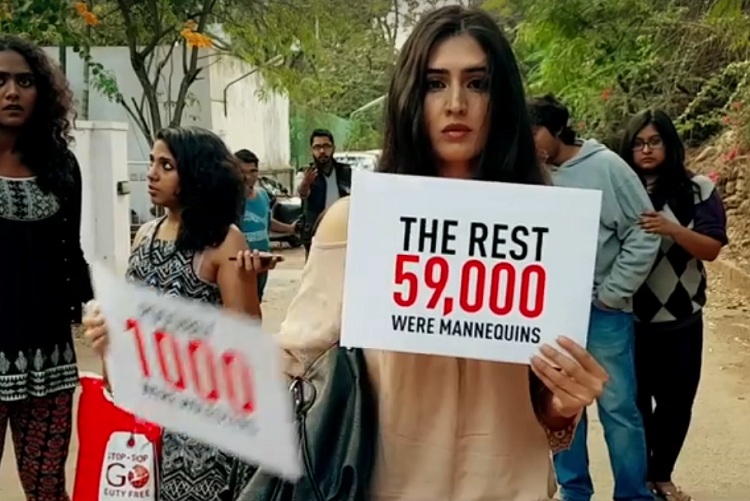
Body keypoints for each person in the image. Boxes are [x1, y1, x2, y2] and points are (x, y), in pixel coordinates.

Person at [239, 7, 608, 500]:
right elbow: (294, 366)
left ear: (502, 98)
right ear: (410, 97)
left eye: (477, 83)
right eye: (436, 83)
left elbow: (545, 409)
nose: (456, 103)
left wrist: (566, 403)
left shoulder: (546, 230)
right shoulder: (358, 222)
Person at [83, 126, 270, 501]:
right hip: (142, 417)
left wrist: (246, 282)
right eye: (152, 162)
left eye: (166, 166)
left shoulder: (223, 241)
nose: (151, 174)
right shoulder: (145, 235)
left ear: (197, 174)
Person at [528, 94, 660, 501]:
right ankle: (574, 492)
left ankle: (633, 494)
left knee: (618, 409)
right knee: (561, 405)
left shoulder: (606, 167)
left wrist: (613, 293)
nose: (527, 140)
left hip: (603, 312)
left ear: (558, 129)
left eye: (534, 131)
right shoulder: (528, 171)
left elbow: (644, 231)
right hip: (552, 312)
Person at [0, 35, 93, 501]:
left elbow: (70, 253)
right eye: (0, 81)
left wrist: (96, 313)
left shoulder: (61, 167)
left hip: (49, 360)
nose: (11, 92)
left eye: (25, 81)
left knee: (48, 489)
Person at [619, 109, 728, 501]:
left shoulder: (698, 189)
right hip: (627, 319)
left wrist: (672, 229)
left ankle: (661, 477)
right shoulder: (620, 189)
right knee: (632, 407)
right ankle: (638, 482)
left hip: (681, 318)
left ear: (670, 144)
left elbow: (711, 248)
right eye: (638, 143)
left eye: (655, 141)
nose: (646, 150)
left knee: (676, 404)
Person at [235, 148, 295, 301]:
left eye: (253, 171)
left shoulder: (262, 195)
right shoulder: (228, 199)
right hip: (240, 264)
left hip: (262, 263)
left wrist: (291, 229)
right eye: (242, 172)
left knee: (257, 302)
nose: (248, 177)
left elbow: (266, 222)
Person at [296, 129, 351, 259]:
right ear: (311, 150)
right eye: (317, 147)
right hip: (316, 231)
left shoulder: (345, 172)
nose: (322, 151)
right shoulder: (305, 173)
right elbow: (302, 193)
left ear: (333, 148)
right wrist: (306, 182)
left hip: (342, 229)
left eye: (326, 146)